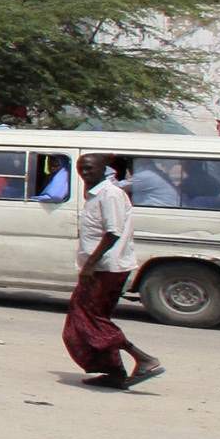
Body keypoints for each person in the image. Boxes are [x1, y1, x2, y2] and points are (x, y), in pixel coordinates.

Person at [61, 155, 165, 389]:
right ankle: (114, 372)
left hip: (106, 268)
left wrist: (89, 266)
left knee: (88, 320)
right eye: (80, 168)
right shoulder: (95, 194)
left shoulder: (110, 195)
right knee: (86, 321)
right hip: (99, 267)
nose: (84, 172)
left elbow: (113, 233)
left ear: (102, 169)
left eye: (89, 168)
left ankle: (144, 358)